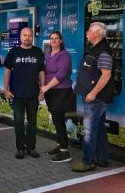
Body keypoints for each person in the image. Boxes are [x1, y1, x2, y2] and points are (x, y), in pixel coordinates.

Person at [72, 22, 114, 172]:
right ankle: (102, 159)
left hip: (95, 98)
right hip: (92, 96)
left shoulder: (103, 52)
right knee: (100, 128)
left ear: (97, 33)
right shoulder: (96, 49)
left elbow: (106, 75)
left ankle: (88, 161)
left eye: (89, 30)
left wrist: (93, 93)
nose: (86, 33)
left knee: (89, 130)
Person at [4, 27, 45, 159]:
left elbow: (42, 72)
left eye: (29, 36)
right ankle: (20, 148)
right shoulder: (13, 52)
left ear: (32, 37)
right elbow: (7, 71)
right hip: (17, 94)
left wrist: (42, 89)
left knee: (32, 123)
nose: (27, 38)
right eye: (24, 35)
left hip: (33, 94)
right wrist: (6, 89)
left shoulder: (38, 52)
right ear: (20, 37)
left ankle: (31, 147)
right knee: (19, 123)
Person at [40, 31, 74, 163]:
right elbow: (43, 73)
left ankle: (65, 153)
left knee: (59, 120)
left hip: (62, 91)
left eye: (56, 38)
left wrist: (46, 88)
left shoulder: (64, 55)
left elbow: (60, 75)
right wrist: (42, 90)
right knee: (56, 119)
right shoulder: (47, 55)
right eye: (51, 38)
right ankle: (60, 146)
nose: (53, 40)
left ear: (61, 41)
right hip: (50, 92)